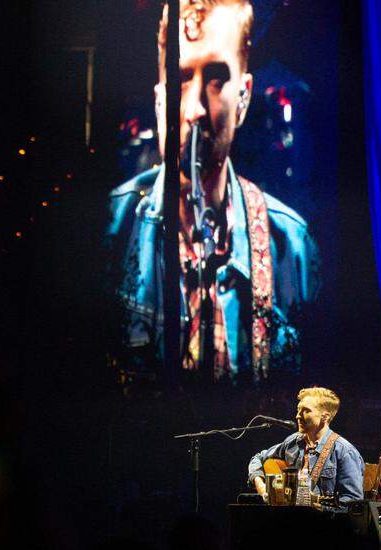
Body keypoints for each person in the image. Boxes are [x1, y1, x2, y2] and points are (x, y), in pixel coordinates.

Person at [106, 0, 318, 379]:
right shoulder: (110, 227)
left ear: (244, 96)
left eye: (218, 78)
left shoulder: (292, 245)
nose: (195, 109)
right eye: (182, 77)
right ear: (159, 97)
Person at [248, 387, 364, 504]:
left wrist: (323, 506)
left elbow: (354, 500)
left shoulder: (344, 451)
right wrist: (261, 486)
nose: (298, 416)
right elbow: (258, 458)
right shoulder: (292, 442)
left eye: (306, 411)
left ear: (325, 417)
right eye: (298, 410)